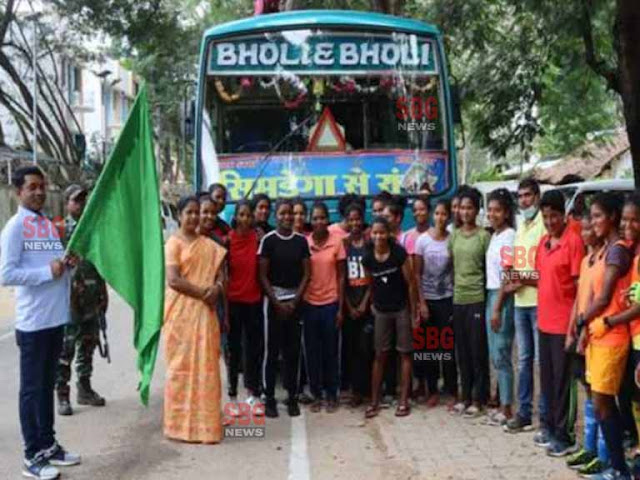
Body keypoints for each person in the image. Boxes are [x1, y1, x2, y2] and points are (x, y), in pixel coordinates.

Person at [1, 166, 81, 480]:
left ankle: (49, 446)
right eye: (31, 187)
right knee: (32, 390)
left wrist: (68, 266)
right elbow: (7, 274)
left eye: (41, 187)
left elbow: (57, 267)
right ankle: (31, 455)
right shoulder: (15, 228)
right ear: (18, 191)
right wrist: (48, 272)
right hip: (33, 323)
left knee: (47, 386)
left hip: (54, 319)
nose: (38, 192)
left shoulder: (47, 225)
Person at [164, 196, 226, 444]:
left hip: (205, 314)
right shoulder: (173, 243)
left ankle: (206, 427)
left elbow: (222, 277)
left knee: (207, 368)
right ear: (179, 215)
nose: (193, 217)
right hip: (181, 316)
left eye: (196, 213)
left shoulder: (210, 245)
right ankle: (177, 426)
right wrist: (204, 293)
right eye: (188, 212)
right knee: (180, 369)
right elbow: (174, 280)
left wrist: (217, 289)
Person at [580, 192, 633, 477]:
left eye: (598, 216)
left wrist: (580, 320)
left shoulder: (616, 250)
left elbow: (603, 298)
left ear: (612, 217)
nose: (594, 222)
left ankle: (619, 468)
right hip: (599, 335)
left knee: (603, 403)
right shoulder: (606, 249)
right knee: (602, 403)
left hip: (612, 335)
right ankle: (616, 465)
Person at [530, 190, 583, 456]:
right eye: (546, 217)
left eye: (554, 216)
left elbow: (579, 289)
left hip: (564, 326)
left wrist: (574, 327)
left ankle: (565, 435)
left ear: (564, 215)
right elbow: (540, 278)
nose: (550, 221)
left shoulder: (573, 242)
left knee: (564, 383)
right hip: (544, 323)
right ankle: (549, 428)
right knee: (549, 380)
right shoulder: (543, 243)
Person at [504, 178, 549, 443]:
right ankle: (523, 413)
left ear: (537, 196)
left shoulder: (545, 225)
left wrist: (521, 279)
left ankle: (545, 419)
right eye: (520, 196)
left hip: (539, 301)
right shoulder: (521, 226)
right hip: (520, 302)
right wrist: (511, 278)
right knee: (523, 361)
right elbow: (514, 263)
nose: (524, 201)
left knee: (540, 363)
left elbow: (545, 272)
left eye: (528, 196)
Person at [56, 185, 107, 417]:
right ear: (67, 203)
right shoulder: (59, 230)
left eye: (84, 200)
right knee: (66, 350)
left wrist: (103, 292)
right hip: (70, 301)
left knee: (88, 345)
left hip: (92, 298)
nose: (82, 204)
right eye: (76, 201)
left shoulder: (94, 231)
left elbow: (99, 265)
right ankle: (62, 394)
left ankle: (84, 389)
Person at [564, 215, 609, 477]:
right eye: (583, 228)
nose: (585, 232)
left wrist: (583, 330)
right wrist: (572, 328)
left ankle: (603, 455)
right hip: (581, 330)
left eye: (591, 227)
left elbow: (599, 301)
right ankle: (589, 448)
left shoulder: (606, 261)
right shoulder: (585, 260)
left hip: (596, 334)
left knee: (602, 395)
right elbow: (579, 299)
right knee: (588, 391)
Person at [258, 199, 311, 418]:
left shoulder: (300, 241)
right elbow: (262, 275)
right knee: (271, 352)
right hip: (273, 303)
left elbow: (307, 273)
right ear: (275, 216)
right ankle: (269, 396)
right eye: (282, 213)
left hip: (295, 303)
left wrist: (294, 301)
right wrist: (277, 302)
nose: (287, 217)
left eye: (290, 213)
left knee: (293, 352)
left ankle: (292, 397)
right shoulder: (268, 241)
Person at [363, 217, 417, 419]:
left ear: (389, 234)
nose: (378, 236)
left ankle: (403, 401)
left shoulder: (399, 254)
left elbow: (410, 283)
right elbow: (370, 284)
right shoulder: (367, 258)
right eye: (375, 233)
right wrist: (372, 306)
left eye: (382, 232)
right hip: (381, 311)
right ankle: (375, 401)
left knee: (405, 354)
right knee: (380, 355)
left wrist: (413, 312)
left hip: (401, 309)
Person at [449, 186, 491, 418]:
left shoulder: (484, 236)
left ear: (476, 210)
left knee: (477, 351)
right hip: (458, 298)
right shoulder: (453, 235)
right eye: (462, 207)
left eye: (469, 208)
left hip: (477, 298)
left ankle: (479, 397)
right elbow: (452, 267)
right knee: (462, 351)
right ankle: (465, 396)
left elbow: (487, 269)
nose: (465, 212)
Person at [413, 199, 457, 408]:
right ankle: (432, 390)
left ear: (449, 216)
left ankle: (450, 390)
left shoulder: (453, 239)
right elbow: (416, 274)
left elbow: (455, 271)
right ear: (433, 215)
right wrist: (421, 303)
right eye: (437, 213)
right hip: (428, 301)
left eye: (444, 214)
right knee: (430, 348)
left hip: (447, 299)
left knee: (447, 348)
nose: (440, 218)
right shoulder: (422, 241)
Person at [304, 202, 346, 413]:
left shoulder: (337, 242)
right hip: (310, 304)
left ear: (327, 221)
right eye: (315, 218)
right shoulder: (305, 242)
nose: (319, 222)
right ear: (310, 221)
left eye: (322, 218)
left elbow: (341, 276)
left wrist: (340, 307)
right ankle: (316, 395)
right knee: (312, 353)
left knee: (331, 352)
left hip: (330, 304)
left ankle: (332, 395)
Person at [226, 200, 264, 415]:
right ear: (236, 217)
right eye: (242, 214)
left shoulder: (258, 238)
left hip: (254, 301)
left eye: (249, 215)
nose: (246, 219)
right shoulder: (227, 241)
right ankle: (232, 397)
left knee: (253, 350)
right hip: (233, 302)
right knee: (234, 351)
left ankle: (253, 394)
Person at [485, 189, 517, 426]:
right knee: (495, 356)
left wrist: (496, 309)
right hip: (491, 295)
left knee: (502, 355)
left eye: (497, 210)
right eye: (490, 210)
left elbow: (509, 278)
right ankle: (501, 402)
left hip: (501, 298)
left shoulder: (509, 236)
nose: (492, 214)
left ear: (506, 212)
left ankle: (507, 408)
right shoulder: (495, 236)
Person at [342, 203, 373, 407]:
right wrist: (349, 305)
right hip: (348, 305)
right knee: (351, 349)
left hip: (366, 305)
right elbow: (340, 278)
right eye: (351, 219)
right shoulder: (344, 245)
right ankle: (354, 391)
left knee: (367, 348)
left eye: (358, 219)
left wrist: (363, 303)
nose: (355, 223)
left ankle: (367, 389)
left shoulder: (369, 244)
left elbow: (373, 278)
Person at [402, 195, 430, 260]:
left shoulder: (435, 235)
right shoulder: (406, 236)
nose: (418, 213)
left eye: (422, 209)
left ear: (429, 211)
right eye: (415, 210)